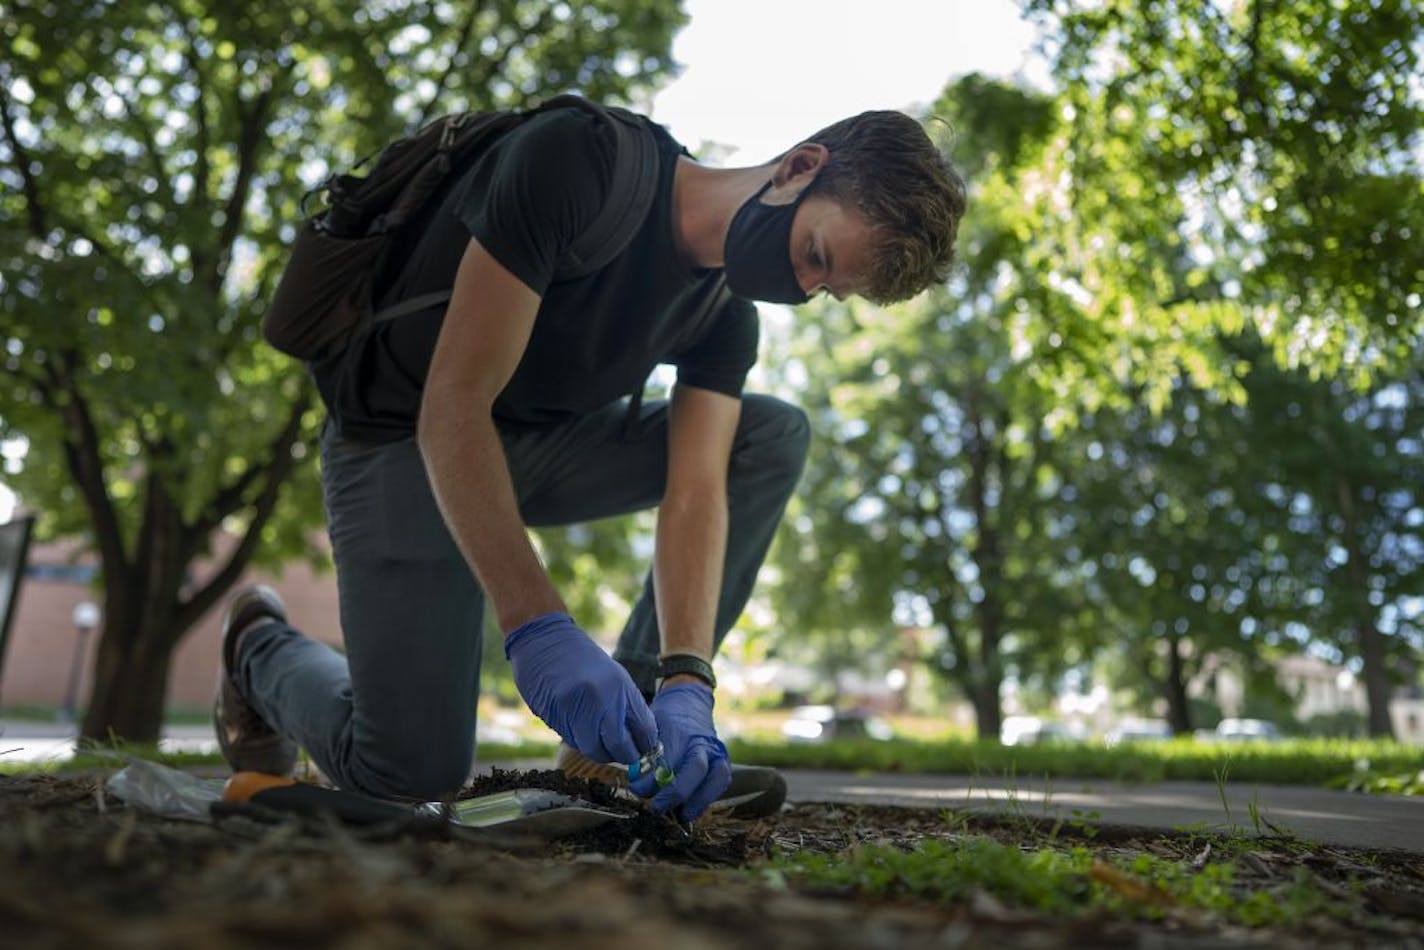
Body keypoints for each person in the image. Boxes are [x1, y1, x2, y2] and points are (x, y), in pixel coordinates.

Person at [215, 98, 966, 822]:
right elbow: (454, 402)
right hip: (403, 432)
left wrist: (686, 679)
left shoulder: (724, 324)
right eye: (814, 255)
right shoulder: (578, 163)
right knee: (410, 772)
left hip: (539, 448)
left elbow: (697, 494)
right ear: (800, 167)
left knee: (770, 434)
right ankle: (258, 648)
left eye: (826, 289)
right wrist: (538, 626)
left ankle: (617, 743)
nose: (801, 289)